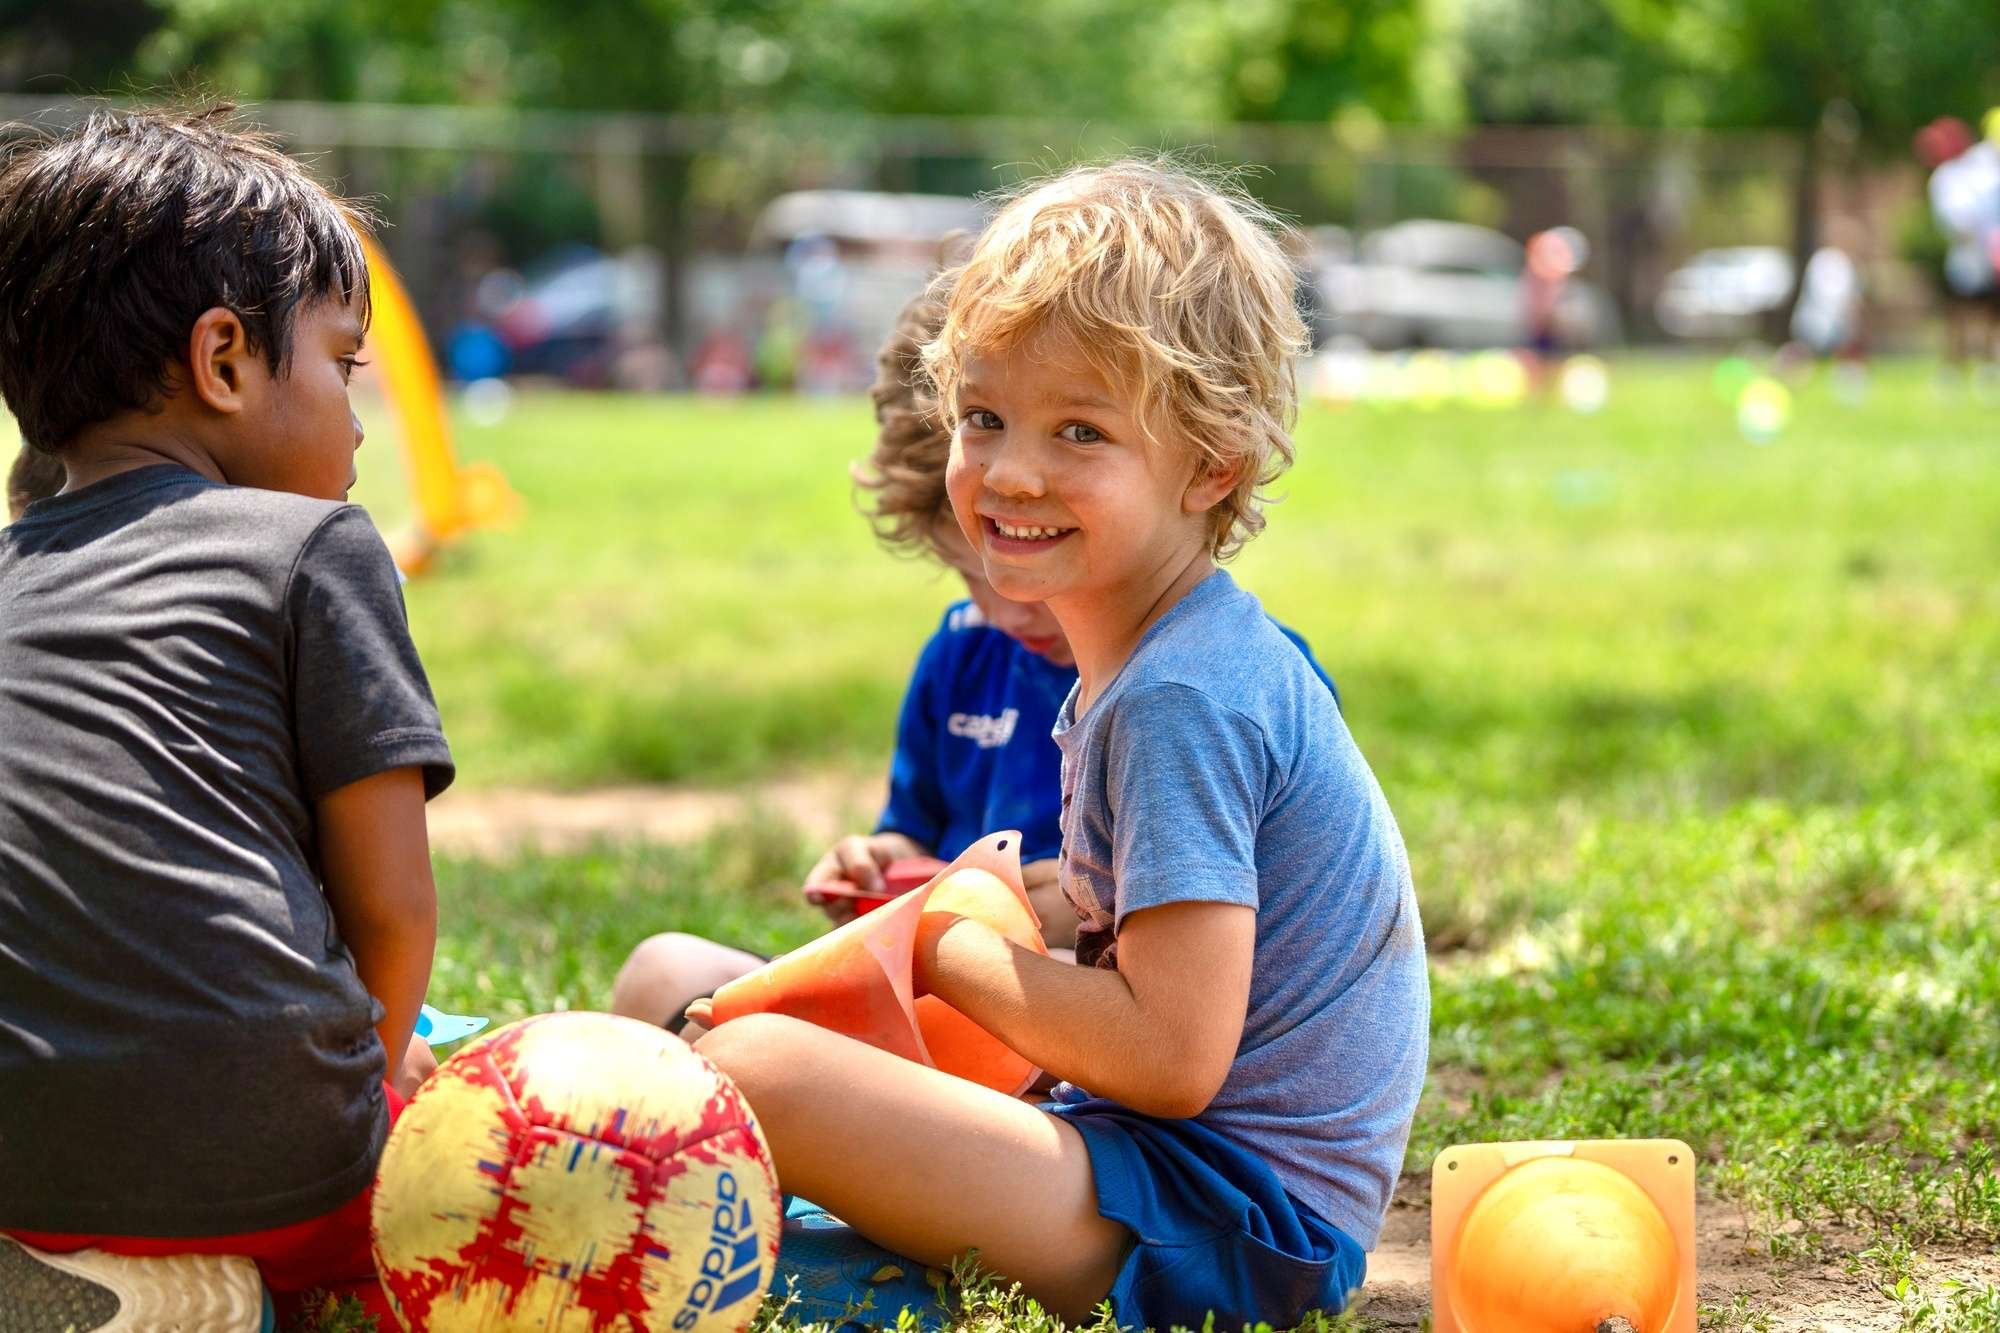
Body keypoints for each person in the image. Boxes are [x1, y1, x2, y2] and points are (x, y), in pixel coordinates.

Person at [690, 160, 1427, 1331]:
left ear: (1211, 465)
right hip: (1164, 1173)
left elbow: (1173, 1054)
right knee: (719, 1011)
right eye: (983, 419)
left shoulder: (1179, 696)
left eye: (1079, 430)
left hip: (1235, 1226)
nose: (1012, 471)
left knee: (764, 1071)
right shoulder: (1151, 660)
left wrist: (943, 944)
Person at [0, 106, 453, 1329]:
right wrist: (372, 1086)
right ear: (224, 361)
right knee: (511, 1130)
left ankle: (82, 1267)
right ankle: (232, 1278)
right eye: (343, 364)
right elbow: (392, 909)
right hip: (276, 1166)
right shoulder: (312, 546)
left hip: (22, 1165)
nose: (359, 418)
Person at [609, 284, 1337, 1035]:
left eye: (1080, 434)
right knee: (662, 970)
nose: (1015, 605)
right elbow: (915, 837)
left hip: (1066, 1025)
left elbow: (1209, 985)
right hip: (948, 992)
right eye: (980, 572)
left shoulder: (1202, 691)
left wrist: (1061, 912)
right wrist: (878, 864)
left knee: (761, 1055)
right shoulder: (961, 652)